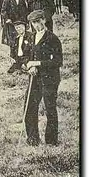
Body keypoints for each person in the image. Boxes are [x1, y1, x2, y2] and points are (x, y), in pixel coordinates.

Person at [23, 10, 63, 146]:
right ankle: (33, 139)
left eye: (38, 22)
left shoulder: (52, 38)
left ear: (44, 21)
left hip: (50, 79)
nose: (36, 25)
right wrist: (30, 66)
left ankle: (52, 141)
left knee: (50, 108)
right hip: (34, 78)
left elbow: (58, 61)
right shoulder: (31, 37)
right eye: (33, 23)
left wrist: (38, 63)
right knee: (29, 107)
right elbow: (27, 57)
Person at [1, 0, 29, 70]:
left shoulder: (21, 0)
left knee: (22, 42)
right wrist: (7, 18)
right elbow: (3, 11)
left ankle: (21, 62)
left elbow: (25, 12)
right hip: (11, 25)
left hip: (20, 24)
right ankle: (14, 62)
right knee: (13, 43)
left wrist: (25, 22)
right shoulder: (7, 0)